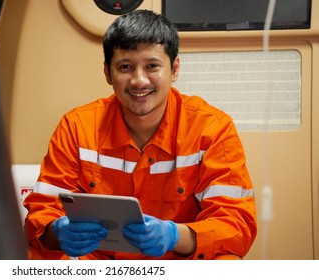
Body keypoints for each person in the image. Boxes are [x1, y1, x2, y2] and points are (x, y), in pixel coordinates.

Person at [23, 9, 257, 260]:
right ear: (107, 73)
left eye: (152, 66)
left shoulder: (212, 129)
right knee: (38, 256)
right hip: (98, 261)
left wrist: (175, 235)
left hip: (179, 261)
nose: (139, 80)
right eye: (125, 67)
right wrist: (57, 231)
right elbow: (41, 214)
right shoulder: (77, 126)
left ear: (174, 69)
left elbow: (235, 224)